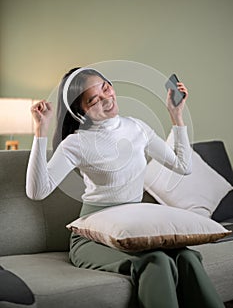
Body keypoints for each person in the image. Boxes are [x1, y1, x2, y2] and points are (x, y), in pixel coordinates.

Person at [26, 67, 224, 308]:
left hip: (134, 228)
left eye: (105, 88)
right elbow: (37, 191)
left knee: (188, 257)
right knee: (156, 262)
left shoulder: (137, 128)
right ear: (82, 111)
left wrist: (176, 116)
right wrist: (40, 131)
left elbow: (183, 166)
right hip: (93, 239)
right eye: (94, 99)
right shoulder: (76, 143)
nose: (106, 99)